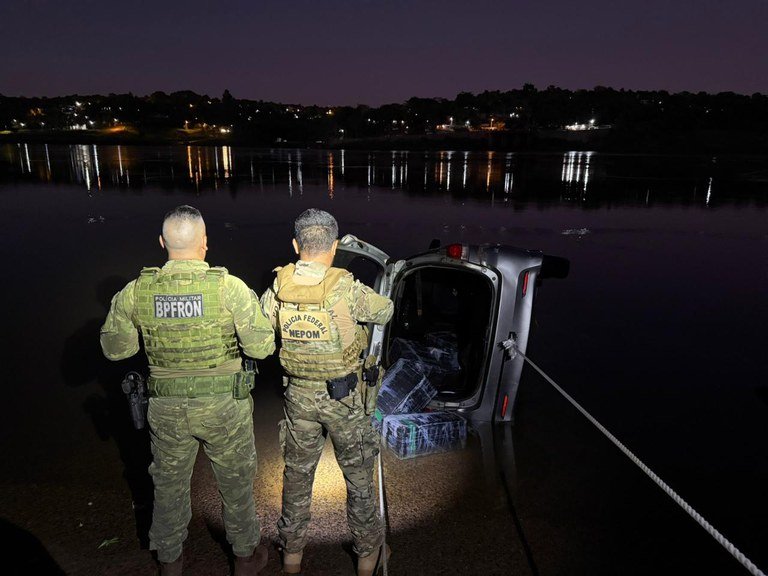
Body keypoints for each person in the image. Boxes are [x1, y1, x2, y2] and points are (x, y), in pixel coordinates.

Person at [99, 205, 275, 576]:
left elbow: (117, 350)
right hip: (224, 405)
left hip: (166, 407)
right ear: (205, 243)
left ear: (162, 243)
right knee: (236, 481)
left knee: (168, 484)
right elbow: (261, 348)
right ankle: (244, 558)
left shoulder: (136, 291)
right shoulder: (230, 288)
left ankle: (170, 562)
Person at [260, 208, 393, 576]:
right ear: (334, 246)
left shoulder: (278, 289)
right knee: (358, 477)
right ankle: (367, 557)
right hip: (345, 401)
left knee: (297, 475)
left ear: (295, 244)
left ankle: (292, 556)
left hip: (298, 398)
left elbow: (260, 329)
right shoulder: (347, 288)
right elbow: (385, 312)